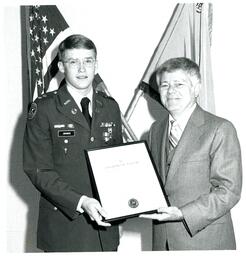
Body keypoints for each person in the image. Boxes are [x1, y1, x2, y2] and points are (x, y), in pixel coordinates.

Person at [23, 34, 123, 252]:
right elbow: (38, 170)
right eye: (73, 62)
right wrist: (81, 202)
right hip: (64, 227)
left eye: (88, 61)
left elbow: (118, 163)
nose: (81, 69)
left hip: (106, 227)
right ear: (61, 66)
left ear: (96, 66)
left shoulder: (110, 107)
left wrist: (122, 209)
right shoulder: (44, 109)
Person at [140, 57, 242, 250]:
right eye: (165, 85)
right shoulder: (155, 130)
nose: (171, 91)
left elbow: (229, 191)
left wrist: (183, 213)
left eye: (179, 84)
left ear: (196, 88)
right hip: (162, 242)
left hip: (205, 241)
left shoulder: (220, 128)